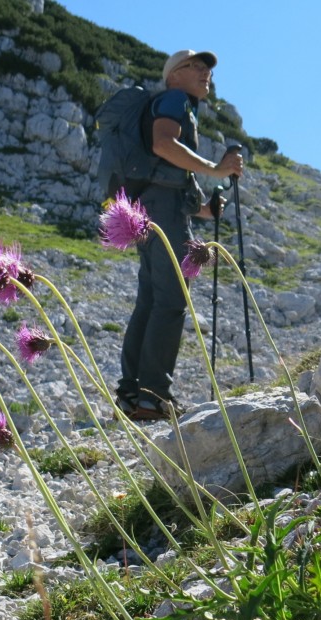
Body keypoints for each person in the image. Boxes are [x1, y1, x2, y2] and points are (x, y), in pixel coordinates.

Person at [115, 49, 244, 421]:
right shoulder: (174, 99)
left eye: (208, 69)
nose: (206, 73)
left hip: (150, 208)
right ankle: (153, 396)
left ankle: (132, 393)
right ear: (173, 75)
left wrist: (203, 209)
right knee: (170, 301)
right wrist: (216, 170)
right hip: (163, 211)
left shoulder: (170, 102)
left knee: (151, 300)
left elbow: (166, 170)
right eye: (196, 66)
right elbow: (163, 144)